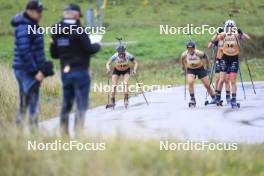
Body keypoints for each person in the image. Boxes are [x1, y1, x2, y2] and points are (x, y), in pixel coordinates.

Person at [50, 3, 100, 135]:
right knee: (81, 102)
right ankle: (78, 131)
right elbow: (89, 49)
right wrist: (97, 45)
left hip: (65, 72)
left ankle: (64, 131)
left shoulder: (56, 29)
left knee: (66, 102)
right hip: (80, 71)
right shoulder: (79, 29)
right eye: (79, 16)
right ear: (76, 14)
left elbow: (54, 54)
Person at [11, 0, 53, 129]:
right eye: (38, 11)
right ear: (30, 11)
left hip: (26, 68)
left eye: (41, 11)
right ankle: (33, 132)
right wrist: (36, 72)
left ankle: (19, 132)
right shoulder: (25, 26)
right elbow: (25, 51)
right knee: (32, 102)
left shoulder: (31, 24)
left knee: (25, 101)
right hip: (27, 70)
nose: (40, 14)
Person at [211, 20, 251, 107]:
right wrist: (218, 32)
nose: (230, 29)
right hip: (225, 58)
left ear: (234, 28)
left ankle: (233, 99)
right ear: (226, 27)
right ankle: (217, 97)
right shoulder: (223, 35)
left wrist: (241, 33)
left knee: (233, 80)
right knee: (222, 79)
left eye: (231, 27)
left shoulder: (236, 35)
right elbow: (213, 40)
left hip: (234, 59)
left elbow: (248, 38)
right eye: (228, 27)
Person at [180, 41, 216, 107]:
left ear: (194, 48)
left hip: (200, 69)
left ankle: (214, 97)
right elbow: (182, 59)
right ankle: (192, 99)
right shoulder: (184, 54)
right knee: (190, 82)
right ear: (187, 48)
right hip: (191, 69)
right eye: (189, 48)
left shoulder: (199, 53)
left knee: (207, 84)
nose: (190, 50)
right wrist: (183, 69)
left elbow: (207, 58)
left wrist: (207, 67)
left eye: (192, 48)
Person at [208, 27, 231, 104]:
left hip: (227, 60)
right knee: (217, 79)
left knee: (226, 79)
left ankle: (228, 97)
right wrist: (216, 34)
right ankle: (216, 97)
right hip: (219, 60)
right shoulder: (218, 39)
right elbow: (209, 46)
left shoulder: (228, 39)